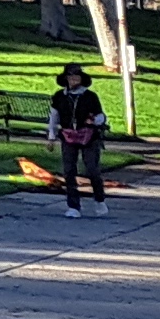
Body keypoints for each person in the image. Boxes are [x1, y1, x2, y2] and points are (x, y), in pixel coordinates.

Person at [48, 59, 108, 213]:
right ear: (66, 79)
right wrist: (51, 136)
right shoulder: (59, 97)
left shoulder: (90, 97)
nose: (74, 80)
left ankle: (99, 199)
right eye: (70, 77)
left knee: (92, 169)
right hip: (68, 136)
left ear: (82, 79)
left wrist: (95, 120)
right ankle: (73, 206)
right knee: (68, 170)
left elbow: (101, 116)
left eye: (77, 77)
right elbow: (54, 117)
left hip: (89, 136)